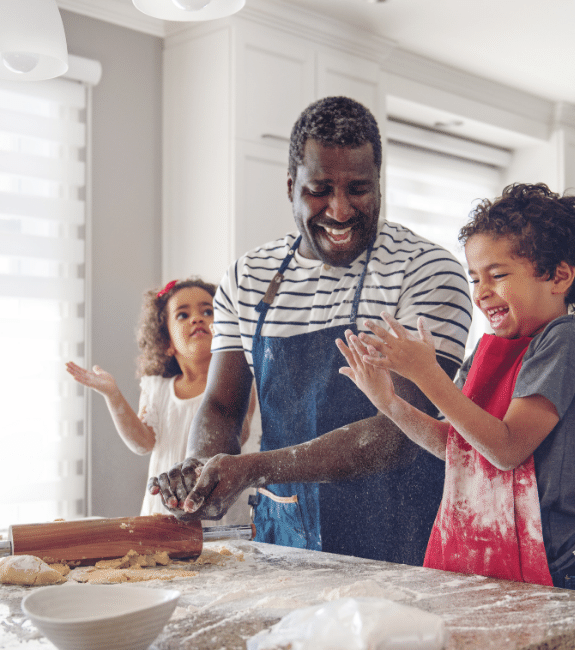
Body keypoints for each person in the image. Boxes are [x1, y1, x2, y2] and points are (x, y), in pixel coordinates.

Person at [148, 96, 473, 566]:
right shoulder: (248, 277)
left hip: (402, 541)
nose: (340, 210)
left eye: (359, 189)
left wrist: (254, 468)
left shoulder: (425, 270)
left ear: (379, 185)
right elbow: (221, 405)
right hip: (284, 543)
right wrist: (202, 470)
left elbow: (401, 430)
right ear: (290, 187)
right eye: (320, 189)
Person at [336, 182, 575, 591]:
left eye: (497, 276)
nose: (481, 294)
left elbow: (506, 448)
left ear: (559, 276)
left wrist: (427, 375)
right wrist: (390, 403)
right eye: (474, 279)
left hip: (544, 572)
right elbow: (457, 449)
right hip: (482, 557)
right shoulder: (487, 352)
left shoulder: (565, 340)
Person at [66, 277, 259, 524]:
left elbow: (236, 438)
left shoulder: (241, 379)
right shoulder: (156, 387)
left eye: (208, 311)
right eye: (182, 315)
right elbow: (143, 443)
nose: (197, 318)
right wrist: (112, 395)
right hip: (164, 512)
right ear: (166, 343)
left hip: (219, 515)